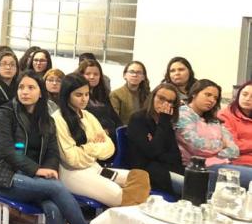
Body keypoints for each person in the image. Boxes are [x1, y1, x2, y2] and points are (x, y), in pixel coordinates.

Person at [0, 71, 123, 224]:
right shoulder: (5, 113)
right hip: (8, 175)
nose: (25, 92)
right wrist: (37, 170)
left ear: (41, 92)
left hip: (37, 180)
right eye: (21, 87)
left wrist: (47, 170)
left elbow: (52, 152)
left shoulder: (47, 119)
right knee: (57, 187)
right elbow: (7, 150)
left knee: (55, 209)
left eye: (31, 88)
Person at [52, 74, 150, 207]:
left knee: (141, 177)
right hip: (73, 173)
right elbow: (72, 159)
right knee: (120, 196)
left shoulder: (88, 116)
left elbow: (110, 149)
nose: (84, 99)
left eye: (87, 94)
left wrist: (85, 148)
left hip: (95, 168)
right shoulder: (58, 119)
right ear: (67, 95)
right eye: (78, 95)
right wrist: (95, 147)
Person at [175, 79, 252, 187]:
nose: (212, 100)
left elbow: (234, 150)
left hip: (222, 164)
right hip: (198, 168)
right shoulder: (183, 115)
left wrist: (215, 154)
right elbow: (197, 147)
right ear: (194, 94)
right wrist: (221, 145)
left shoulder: (213, 120)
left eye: (215, 98)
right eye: (208, 95)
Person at [127, 83, 185, 195]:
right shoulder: (138, 118)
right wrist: (163, 121)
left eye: (170, 101)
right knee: (194, 190)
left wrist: (156, 143)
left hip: (167, 168)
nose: (165, 104)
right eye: (161, 98)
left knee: (201, 180)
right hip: (147, 171)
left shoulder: (166, 122)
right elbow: (151, 152)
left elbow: (175, 155)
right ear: (153, 97)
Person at [76, 59, 122, 137]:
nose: (92, 77)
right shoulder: (76, 97)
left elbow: (115, 118)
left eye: (96, 74)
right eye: (88, 74)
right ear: (81, 75)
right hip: (92, 137)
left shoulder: (103, 95)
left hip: (110, 136)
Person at [218, 80, 252, 167]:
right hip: (237, 162)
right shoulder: (225, 115)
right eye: (244, 94)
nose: (247, 99)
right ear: (238, 95)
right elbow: (233, 146)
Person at [110, 61, 151, 125]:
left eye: (139, 72)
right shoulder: (116, 94)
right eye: (131, 72)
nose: (135, 75)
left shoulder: (148, 95)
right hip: (123, 129)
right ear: (124, 75)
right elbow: (114, 119)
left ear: (143, 77)